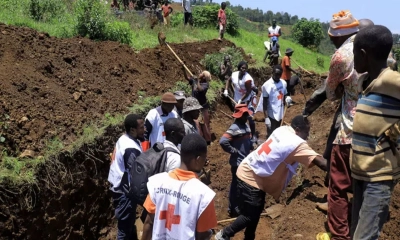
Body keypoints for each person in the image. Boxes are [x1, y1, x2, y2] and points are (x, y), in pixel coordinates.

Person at [215, 116, 328, 240]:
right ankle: (223, 235)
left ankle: (248, 238)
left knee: (256, 212)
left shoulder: (283, 130)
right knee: (249, 215)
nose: (308, 135)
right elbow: (322, 163)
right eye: (306, 132)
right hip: (252, 178)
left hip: (249, 169)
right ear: (297, 130)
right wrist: (340, 172)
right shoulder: (297, 143)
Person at [302, 18, 376, 203]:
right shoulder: (385, 54)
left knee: (335, 157)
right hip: (377, 120)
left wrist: (305, 112)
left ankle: (334, 197)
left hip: (350, 117)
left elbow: (328, 92)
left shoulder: (343, 56)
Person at [351, 25, 400, 240]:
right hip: (361, 174)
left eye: (354, 54)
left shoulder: (390, 80)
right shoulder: (364, 82)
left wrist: (396, 130)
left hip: (379, 176)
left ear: (363, 55)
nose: (352, 60)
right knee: (358, 234)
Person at [321, 10, 360, 240]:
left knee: (338, 188)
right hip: (380, 128)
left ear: (338, 36)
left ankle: (340, 236)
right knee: (364, 186)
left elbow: (331, 93)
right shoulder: (380, 47)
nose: (331, 41)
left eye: (331, 37)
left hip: (350, 130)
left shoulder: (341, 56)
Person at [141, 134, 218, 240]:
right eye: (205, 159)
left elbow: (148, 223)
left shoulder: (158, 183)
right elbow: (203, 236)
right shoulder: (204, 196)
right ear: (198, 159)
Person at [108, 114, 145, 240]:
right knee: (124, 230)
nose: (144, 129)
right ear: (132, 130)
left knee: (128, 226)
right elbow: (137, 173)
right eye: (141, 127)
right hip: (124, 193)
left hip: (118, 187)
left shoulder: (124, 139)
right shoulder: (130, 148)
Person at [219, 104, 253, 218]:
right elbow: (223, 141)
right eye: (244, 114)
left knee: (242, 185)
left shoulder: (246, 125)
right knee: (236, 185)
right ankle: (233, 208)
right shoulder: (234, 128)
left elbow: (249, 139)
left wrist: (251, 145)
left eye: (247, 114)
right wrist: (233, 151)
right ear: (239, 116)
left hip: (245, 160)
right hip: (237, 162)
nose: (246, 116)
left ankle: (239, 205)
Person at [224, 61, 257, 143]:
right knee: (238, 117)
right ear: (239, 68)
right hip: (237, 99)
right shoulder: (234, 74)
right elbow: (228, 80)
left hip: (247, 100)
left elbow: (248, 91)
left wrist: (241, 100)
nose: (244, 69)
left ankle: (253, 135)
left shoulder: (248, 79)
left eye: (245, 68)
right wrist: (226, 89)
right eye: (242, 68)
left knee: (250, 118)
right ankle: (238, 134)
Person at [257, 65, 292, 138]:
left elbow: (285, 94)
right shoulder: (267, 85)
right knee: (271, 135)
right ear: (272, 73)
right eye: (276, 74)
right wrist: (266, 118)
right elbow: (265, 103)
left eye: (279, 74)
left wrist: (287, 98)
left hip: (280, 111)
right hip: (271, 114)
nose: (277, 76)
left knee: (278, 132)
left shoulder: (283, 83)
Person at [182, 67, 212, 143]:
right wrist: (183, 69)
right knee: (197, 123)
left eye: (202, 73)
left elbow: (200, 89)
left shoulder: (205, 84)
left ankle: (208, 140)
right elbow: (187, 78)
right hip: (195, 106)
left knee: (205, 123)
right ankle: (200, 139)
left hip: (202, 106)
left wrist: (197, 80)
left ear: (204, 77)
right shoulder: (195, 80)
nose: (200, 73)